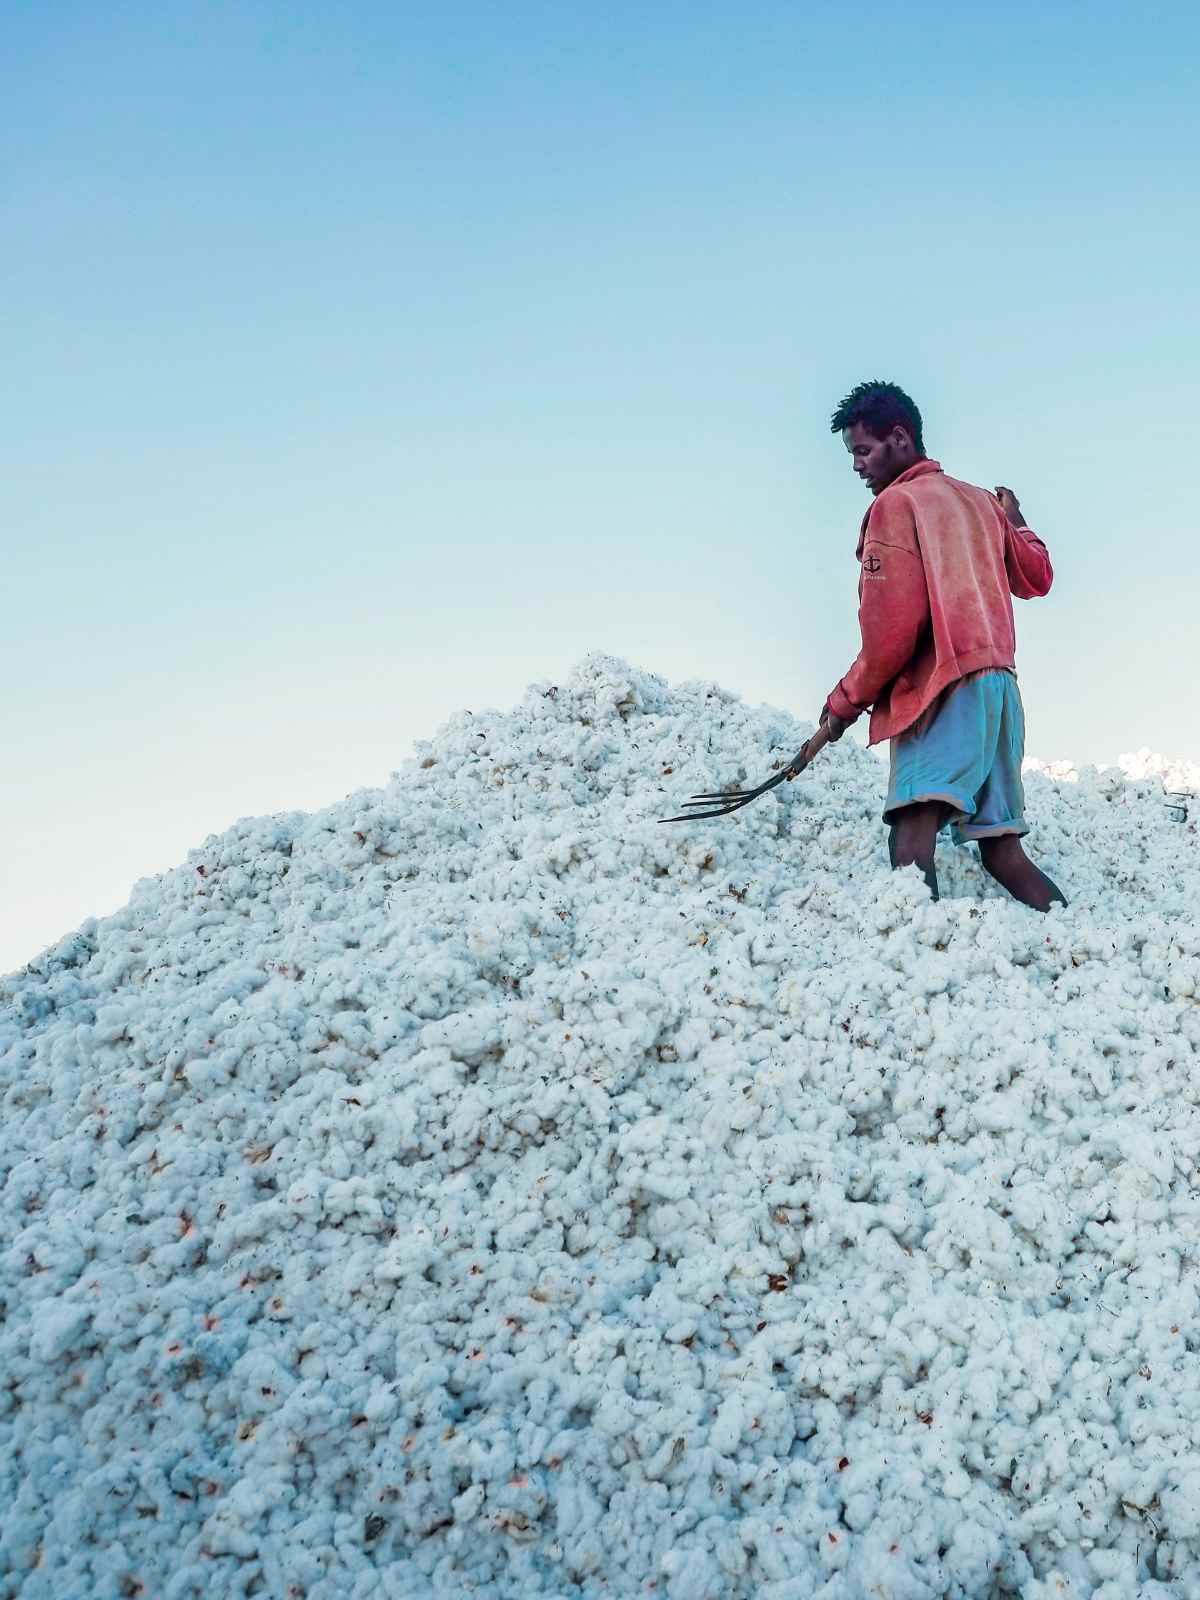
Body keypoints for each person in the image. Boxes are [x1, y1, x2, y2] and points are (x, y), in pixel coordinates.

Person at [808, 379, 1067, 911]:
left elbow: (890, 635)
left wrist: (842, 705)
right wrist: (1017, 521)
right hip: (1000, 693)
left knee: (912, 835)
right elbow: (1037, 577)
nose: (857, 466)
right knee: (1003, 853)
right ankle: (1083, 947)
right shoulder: (980, 504)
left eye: (862, 450)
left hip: (942, 691)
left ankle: (919, 966)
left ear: (899, 439)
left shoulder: (895, 506)